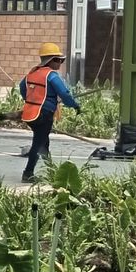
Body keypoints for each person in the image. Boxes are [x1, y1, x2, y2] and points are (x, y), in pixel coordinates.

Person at [18, 42, 80, 183]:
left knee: (43, 141)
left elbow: (22, 88)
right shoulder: (52, 76)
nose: (60, 63)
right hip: (44, 115)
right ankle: (28, 173)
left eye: (61, 60)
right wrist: (75, 105)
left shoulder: (32, 73)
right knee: (38, 144)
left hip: (30, 114)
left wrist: (31, 101)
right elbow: (65, 94)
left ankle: (51, 170)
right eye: (58, 60)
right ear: (50, 60)